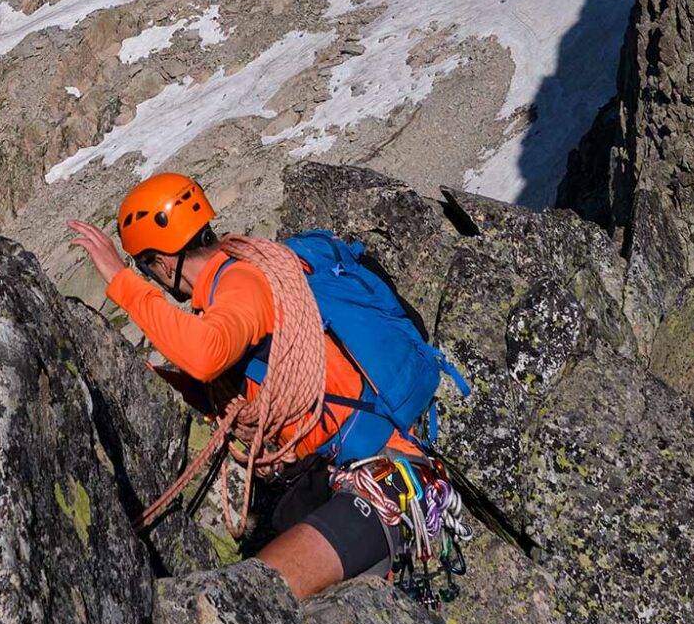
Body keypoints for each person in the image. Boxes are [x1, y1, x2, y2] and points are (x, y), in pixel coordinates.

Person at [67, 172, 430, 599]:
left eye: (145, 267)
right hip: (336, 480)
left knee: (250, 603)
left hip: (383, 481)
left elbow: (206, 355)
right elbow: (225, 389)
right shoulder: (231, 288)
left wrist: (119, 280)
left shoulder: (241, 281)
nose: (150, 278)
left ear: (162, 263)